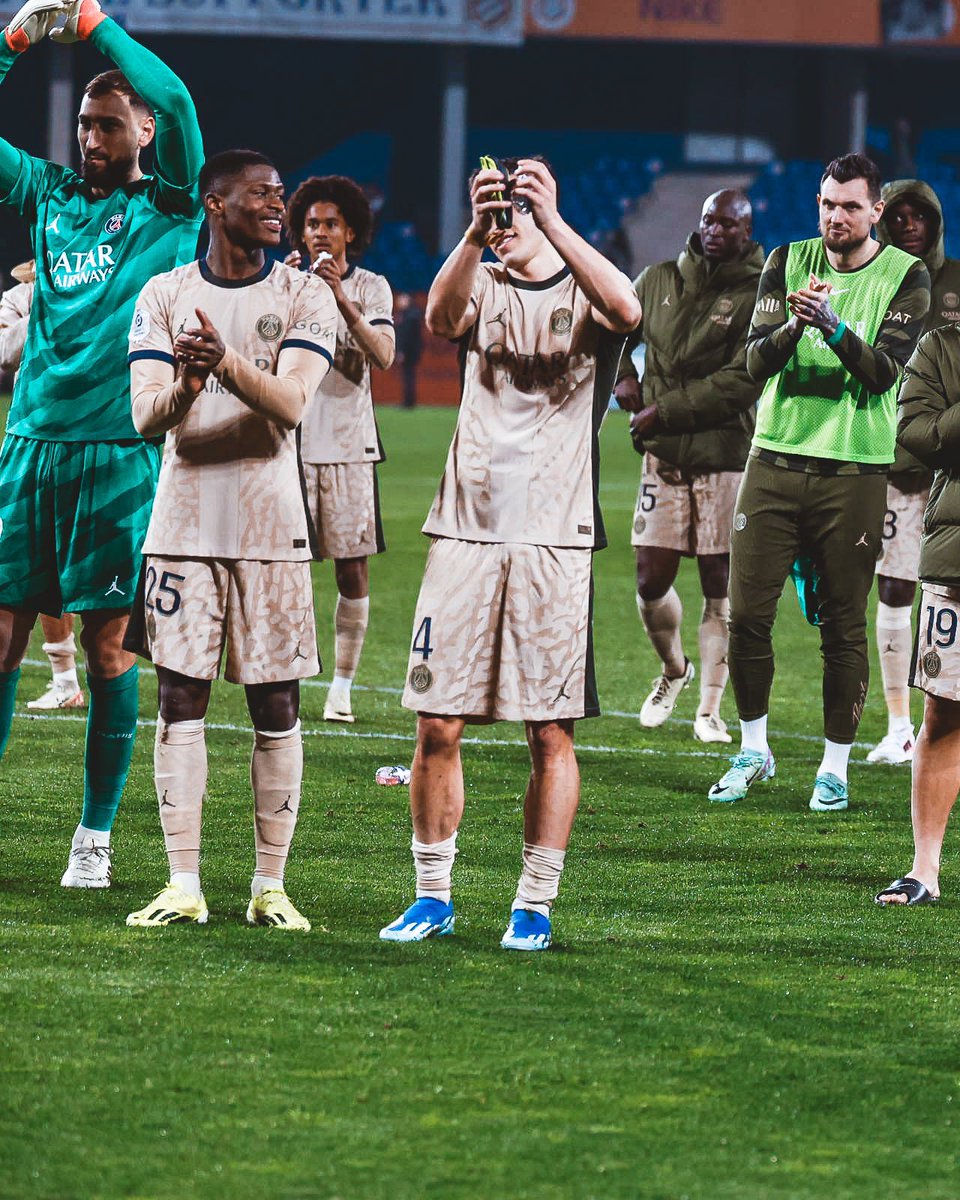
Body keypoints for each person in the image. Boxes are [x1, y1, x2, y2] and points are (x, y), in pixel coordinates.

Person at [379, 156, 640, 951]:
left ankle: (533, 904)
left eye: (513, 210)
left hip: (555, 539)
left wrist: (553, 218)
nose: (503, 224)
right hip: (463, 532)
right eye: (495, 211)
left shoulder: (586, 290)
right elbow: (439, 319)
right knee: (436, 723)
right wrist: (471, 232)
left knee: (549, 733)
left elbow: (627, 309)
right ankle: (432, 896)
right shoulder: (483, 282)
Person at [0, 0, 203, 887]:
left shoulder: (171, 205)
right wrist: (11, 43)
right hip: (28, 444)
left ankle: (95, 836)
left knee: (109, 648)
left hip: (118, 452)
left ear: (144, 132)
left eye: (110, 124)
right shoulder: (47, 194)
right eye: (85, 123)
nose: (90, 137)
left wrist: (92, 23)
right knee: (2, 639)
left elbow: (181, 100)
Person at [124, 150, 337, 929]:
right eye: (261, 194)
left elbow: (290, 403)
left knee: (275, 702)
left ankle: (269, 887)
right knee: (179, 697)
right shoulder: (164, 293)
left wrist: (223, 361)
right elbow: (145, 416)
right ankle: (183, 884)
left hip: (271, 529)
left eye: (281, 194)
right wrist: (186, 386)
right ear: (215, 203)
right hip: (182, 527)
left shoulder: (305, 293)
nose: (279, 205)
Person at [709, 153, 930, 811]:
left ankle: (834, 767)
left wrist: (832, 327)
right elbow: (755, 359)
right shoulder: (786, 261)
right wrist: (795, 325)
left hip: (853, 471)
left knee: (843, 624)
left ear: (876, 212)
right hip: (773, 463)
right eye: (828, 204)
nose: (837, 217)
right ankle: (753, 749)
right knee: (747, 615)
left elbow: (884, 373)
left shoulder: (906, 275)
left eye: (851, 207)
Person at [613, 190, 764, 743]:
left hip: (726, 457)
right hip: (665, 456)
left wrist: (663, 410)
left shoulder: (761, 293)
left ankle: (710, 710)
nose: (715, 231)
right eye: (708, 221)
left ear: (747, 232)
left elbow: (740, 381)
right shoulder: (657, 279)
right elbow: (615, 328)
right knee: (650, 580)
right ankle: (675, 669)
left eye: (728, 224)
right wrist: (622, 376)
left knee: (718, 583)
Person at [284, 175, 395, 724]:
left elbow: (383, 355)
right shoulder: (284, 282)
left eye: (331, 223)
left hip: (349, 447)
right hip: (290, 447)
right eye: (312, 224)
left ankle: (342, 687)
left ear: (350, 231)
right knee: (286, 570)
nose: (320, 233)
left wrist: (341, 300)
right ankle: (289, 676)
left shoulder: (372, 287)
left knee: (351, 573)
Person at [867, 179, 960, 764]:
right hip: (897, 462)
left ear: (935, 221)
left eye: (917, 215)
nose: (907, 224)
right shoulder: (873, 284)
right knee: (895, 585)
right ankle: (900, 724)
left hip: (953, 466)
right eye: (897, 216)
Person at [876, 322, 960, 905]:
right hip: (956, 559)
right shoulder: (940, 347)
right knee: (945, 714)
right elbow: (916, 437)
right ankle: (924, 871)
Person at [0, 259, 86, 710]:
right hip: (32, 443)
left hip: (90, 438)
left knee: (87, 570)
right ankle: (64, 679)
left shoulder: (98, 293)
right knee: (35, 568)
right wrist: (46, 305)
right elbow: (4, 353)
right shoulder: (18, 298)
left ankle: (83, 676)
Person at [394, 291, 423, 409]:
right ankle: (408, 401)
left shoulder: (409, 316)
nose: (399, 302)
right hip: (411, 352)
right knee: (408, 376)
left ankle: (408, 402)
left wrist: (401, 351)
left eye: (402, 299)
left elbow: (406, 336)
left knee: (408, 377)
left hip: (409, 352)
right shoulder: (410, 314)